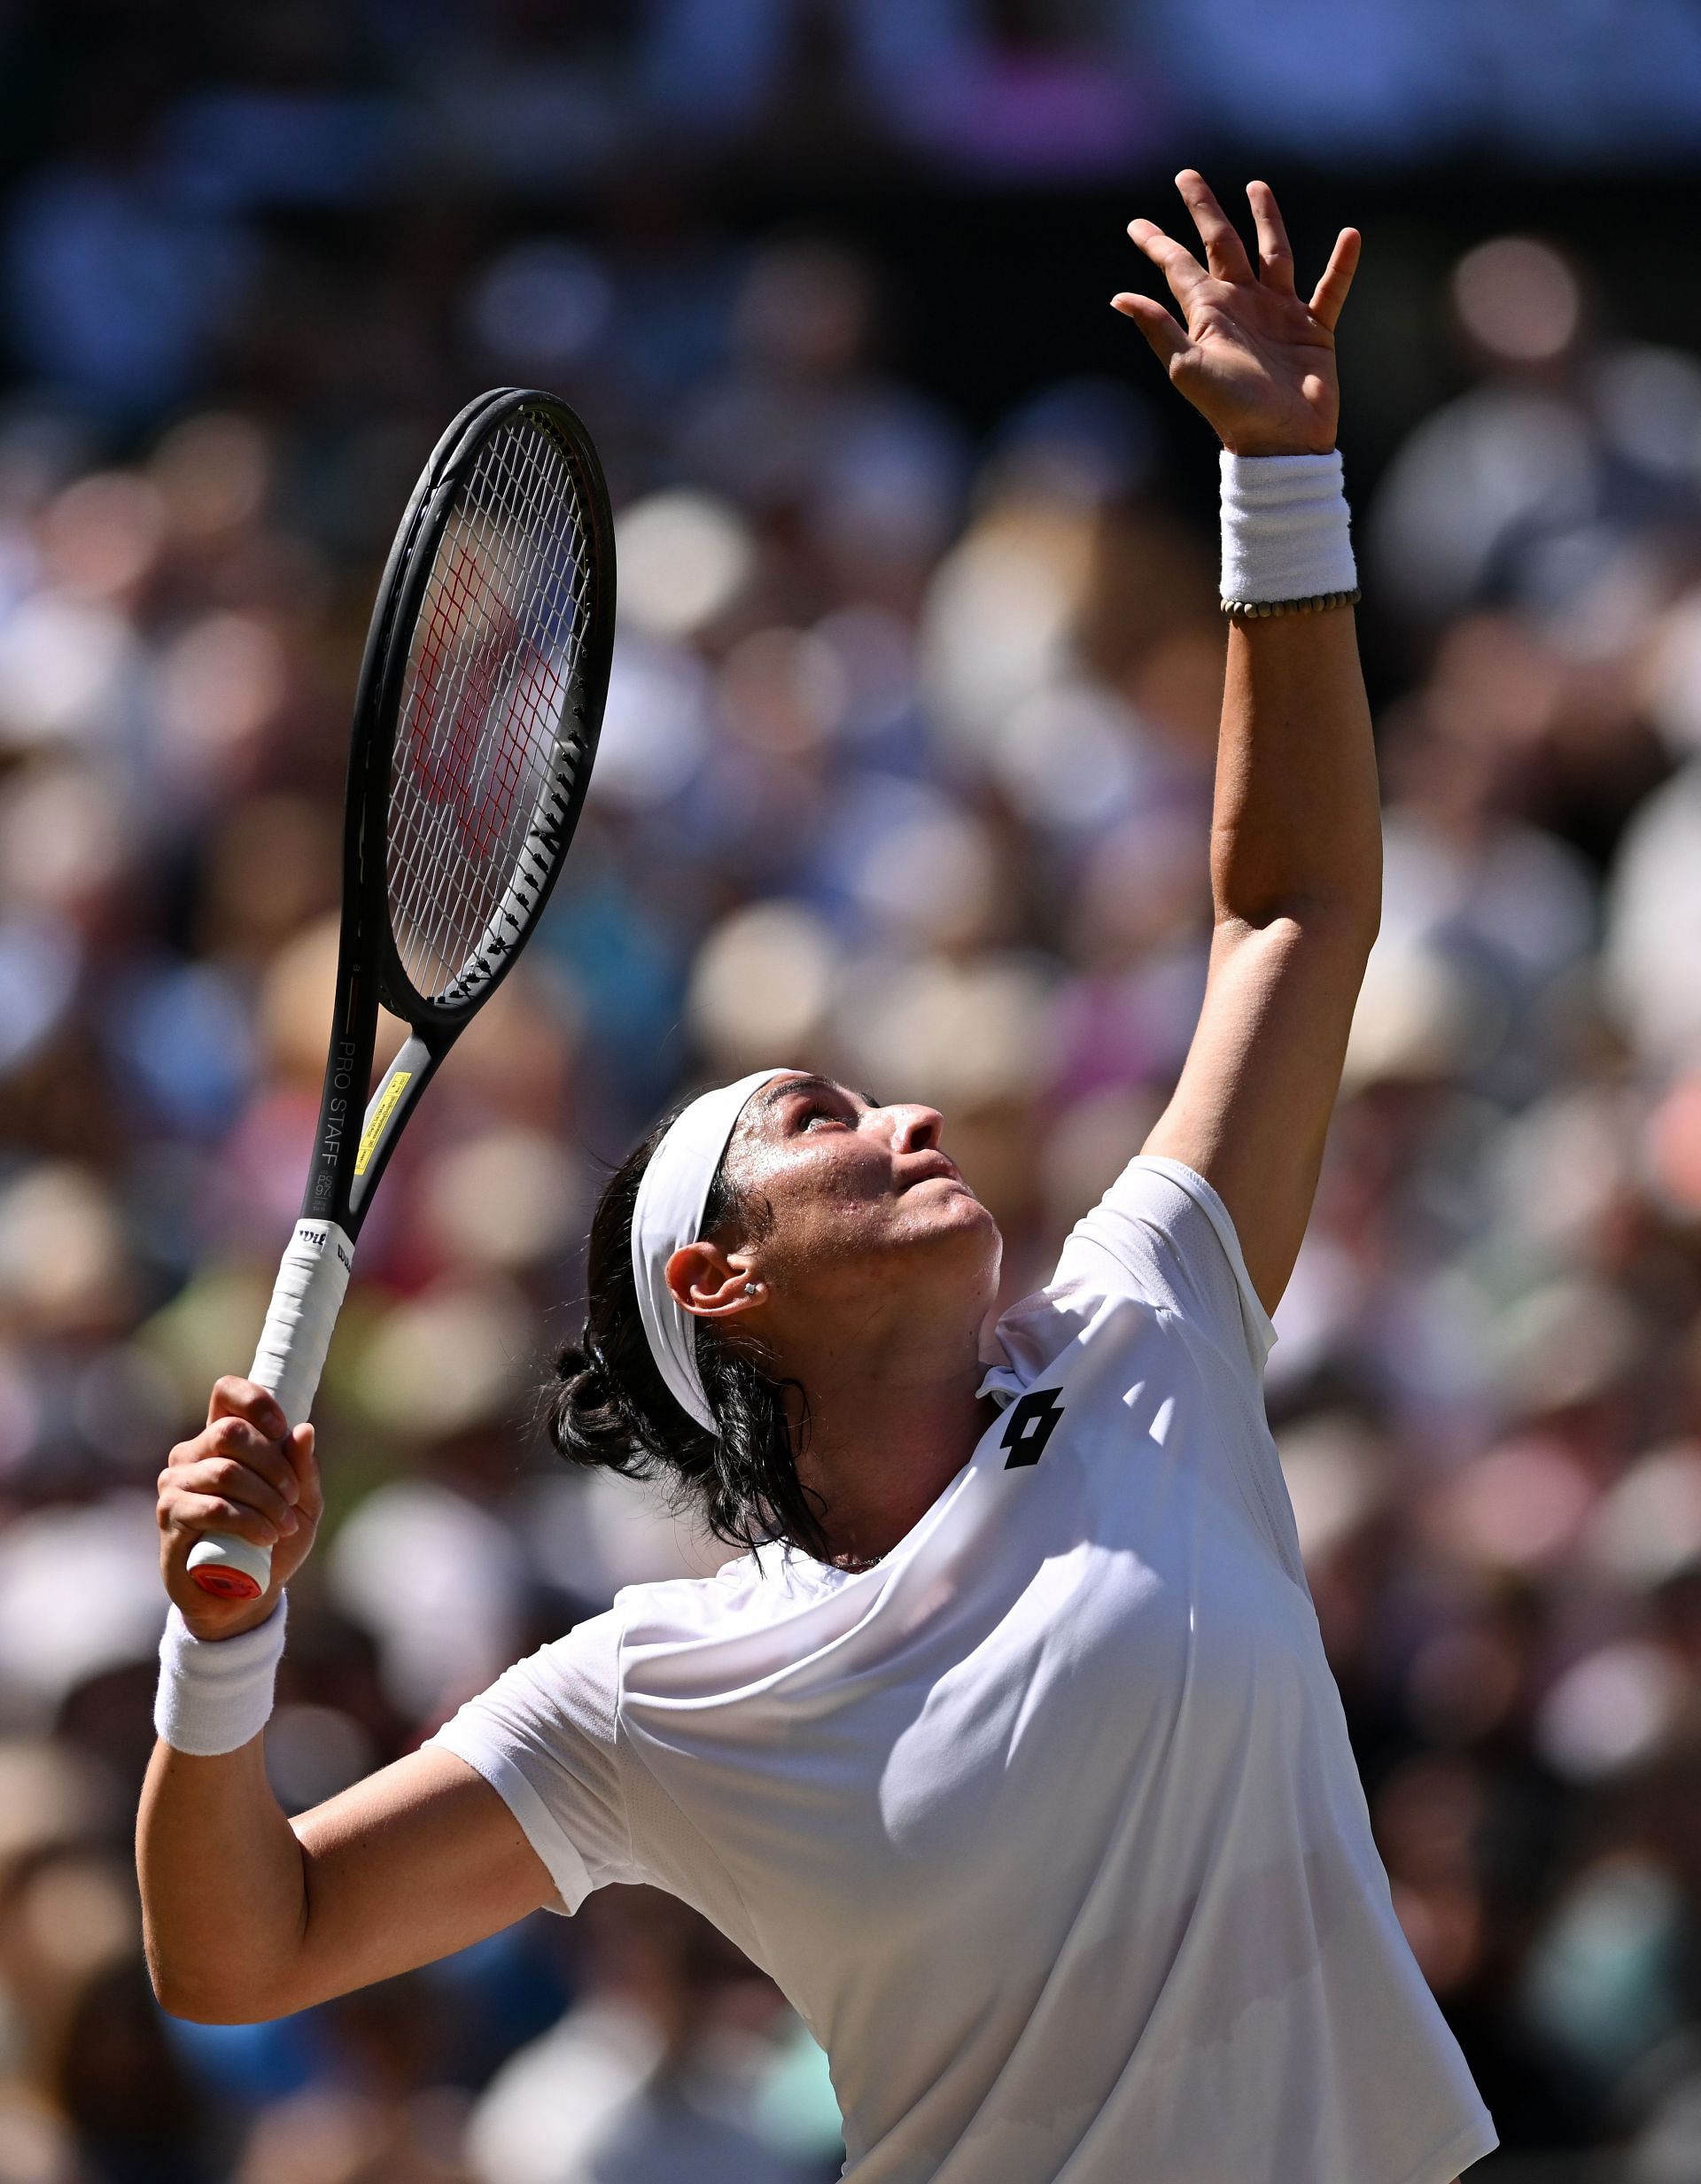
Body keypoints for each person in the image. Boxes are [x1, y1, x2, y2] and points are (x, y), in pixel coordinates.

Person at [138, 172, 1497, 2184]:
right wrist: (221, 1638)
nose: (910, 1122)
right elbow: (246, 1948)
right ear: (722, 1283)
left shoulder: (1144, 1326)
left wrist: (1283, 480)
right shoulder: (652, 1697)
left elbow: (1295, 909)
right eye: (818, 1123)